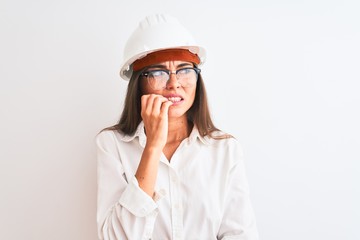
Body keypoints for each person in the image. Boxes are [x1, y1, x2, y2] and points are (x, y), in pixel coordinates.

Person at [96, 14, 259, 240]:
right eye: (157, 72)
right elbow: (116, 237)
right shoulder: (112, 145)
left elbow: (241, 234)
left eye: (184, 69)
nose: (174, 83)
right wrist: (152, 146)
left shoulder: (225, 149)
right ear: (139, 83)